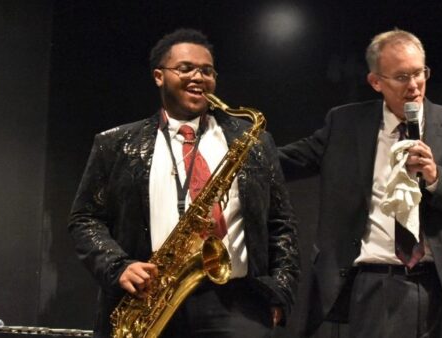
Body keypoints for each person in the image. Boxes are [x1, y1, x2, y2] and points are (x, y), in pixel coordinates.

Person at [68, 28, 299, 338]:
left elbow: (281, 223)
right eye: (186, 68)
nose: (198, 77)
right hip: (150, 300)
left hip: (239, 303)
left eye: (207, 70)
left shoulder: (253, 140)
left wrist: (280, 291)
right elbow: (84, 219)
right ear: (159, 76)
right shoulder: (116, 143)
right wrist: (118, 266)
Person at [279, 29, 442, 338]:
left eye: (419, 73)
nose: (414, 86)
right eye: (401, 77)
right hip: (377, 284)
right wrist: (226, 144)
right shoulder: (345, 124)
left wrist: (437, 178)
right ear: (376, 82)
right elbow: (286, 161)